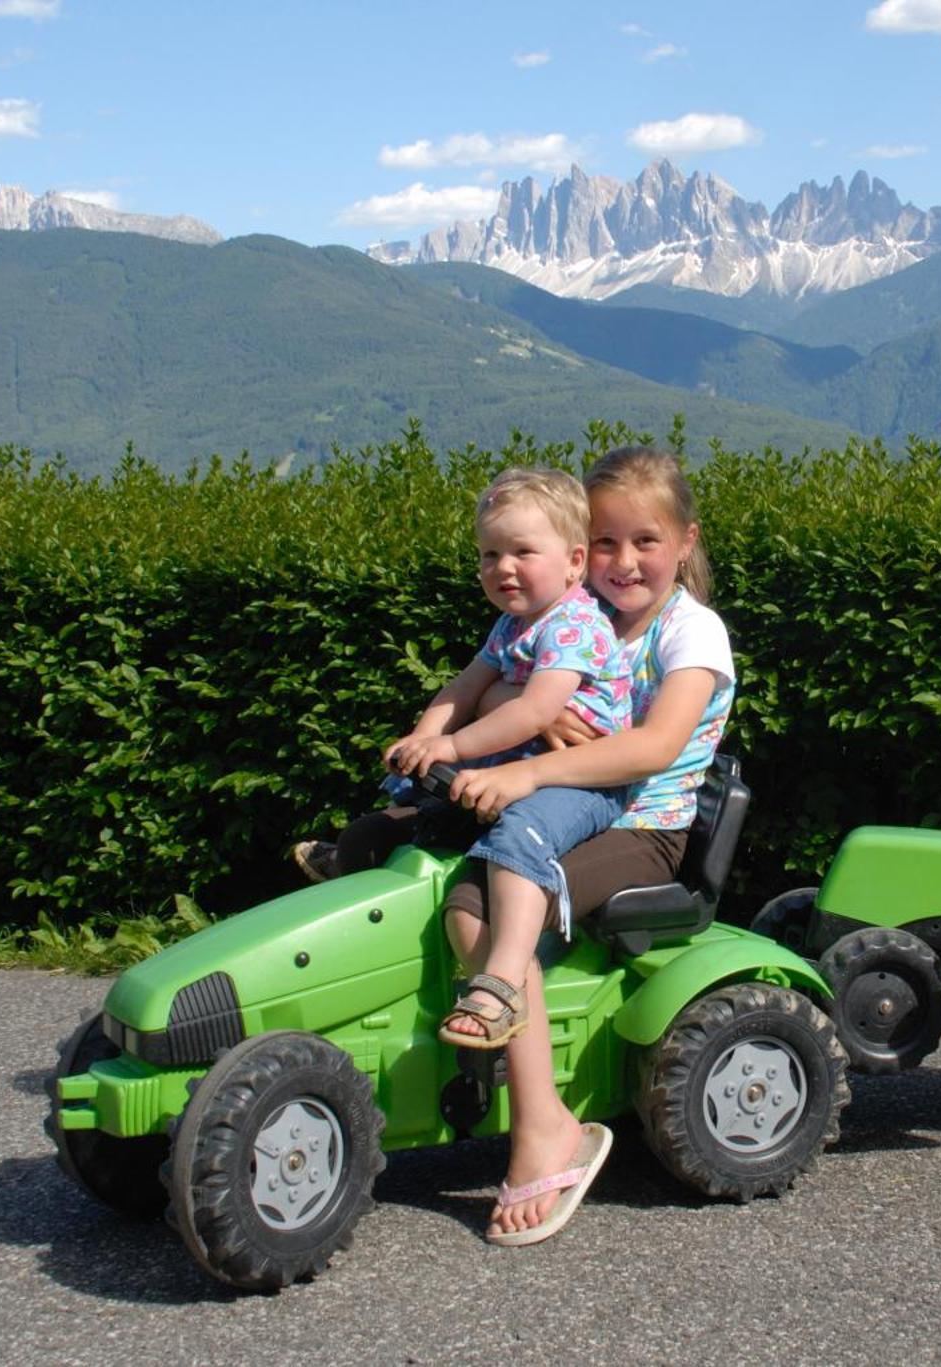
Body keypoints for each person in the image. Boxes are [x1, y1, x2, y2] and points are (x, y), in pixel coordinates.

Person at [441, 445, 736, 1246]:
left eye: (645, 540)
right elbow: (503, 681)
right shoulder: (581, 616)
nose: (623, 560)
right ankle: (506, 1026)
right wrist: (524, 706)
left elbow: (651, 748)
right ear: (579, 552)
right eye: (605, 542)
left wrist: (536, 768)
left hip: (646, 828)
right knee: (457, 897)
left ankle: (545, 1127)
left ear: (684, 541)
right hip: (579, 809)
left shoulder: (692, 631)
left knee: (495, 906)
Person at [297, 467, 634, 1051]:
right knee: (410, 807)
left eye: (522, 551)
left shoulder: (576, 624)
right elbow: (463, 688)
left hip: (578, 783)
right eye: (489, 554)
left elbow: (535, 712)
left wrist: (451, 745)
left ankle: (502, 980)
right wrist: (422, 738)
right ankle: (358, 875)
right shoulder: (512, 624)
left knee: (519, 837)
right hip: (517, 771)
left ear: (574, 562)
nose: (502, 567)